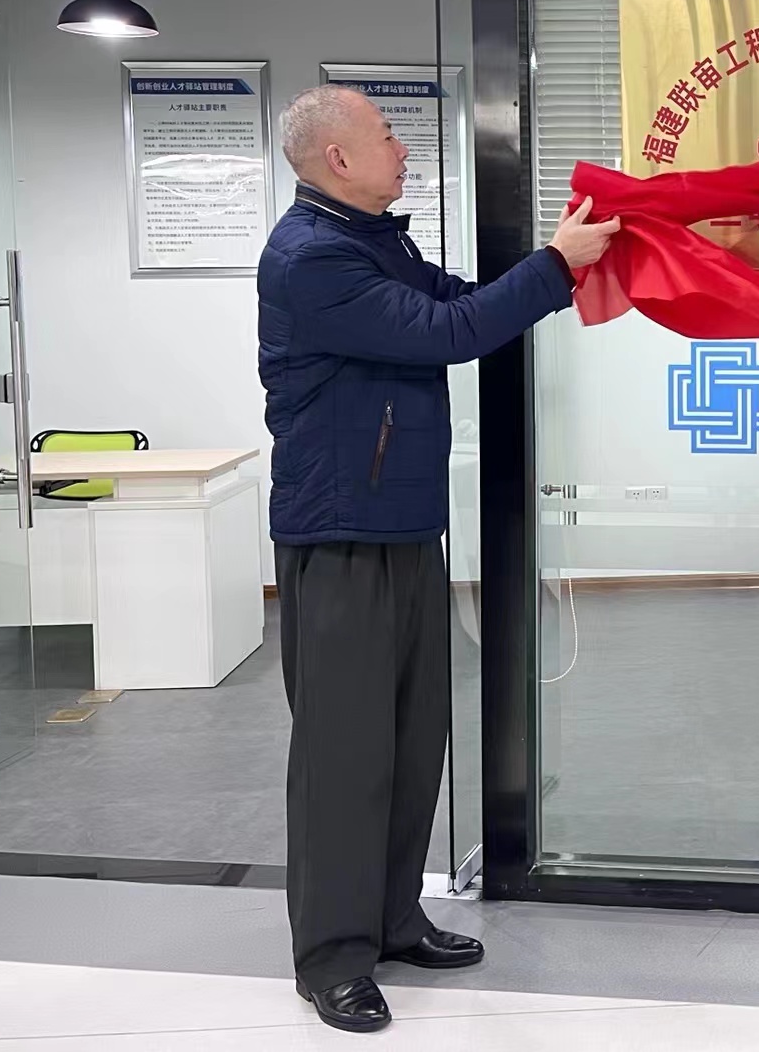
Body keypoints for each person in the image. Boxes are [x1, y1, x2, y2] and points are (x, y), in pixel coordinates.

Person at [258, 85, 618, 1034]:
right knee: (344, 757)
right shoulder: (310, 257)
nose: (402, 148)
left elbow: (455, 302)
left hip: (402, 525)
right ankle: (332, 957)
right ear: (338, 159)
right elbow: (444, 335)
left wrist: (565, 262)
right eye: (386, 135)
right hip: (339, 537)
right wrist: (555, 265)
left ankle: (392, 919)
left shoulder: (374, 241)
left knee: (413, 742)